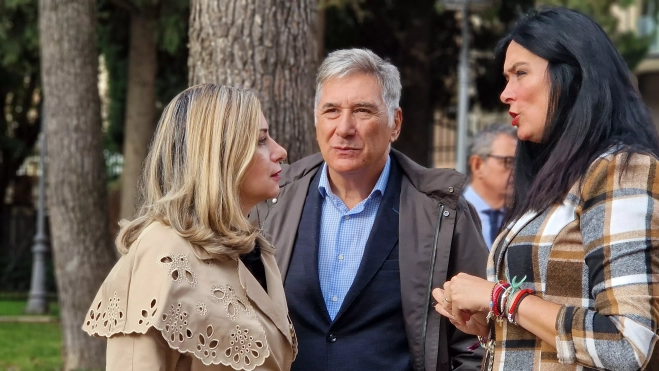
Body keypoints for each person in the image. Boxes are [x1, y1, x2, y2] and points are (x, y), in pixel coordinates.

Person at [433, 7, 659, 370]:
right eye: (506, 78)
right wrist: (490, 324)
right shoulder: (554, 180)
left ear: (573, 76)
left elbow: (628, 345)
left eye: (520, 73)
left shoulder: (621, 171)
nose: (506, 93)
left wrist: (501, 298)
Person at [251, 48, 488, 371]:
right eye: (331, 110)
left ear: (395, 123)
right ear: (316, 119)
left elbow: (476, 343)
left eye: (362, 111)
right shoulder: (272, 202)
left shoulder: (443, 213)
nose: (344, 128)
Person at [82, 84, 297, 370]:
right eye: (260, 141)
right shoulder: (161, 252)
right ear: (218, 156)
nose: (280, 151)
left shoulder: (255, 250)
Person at [463, 123, 517, 250]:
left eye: (518, 162)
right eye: (508, 162)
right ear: (477, 165)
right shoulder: (448, 213)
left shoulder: (520, 217)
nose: (517, 170)